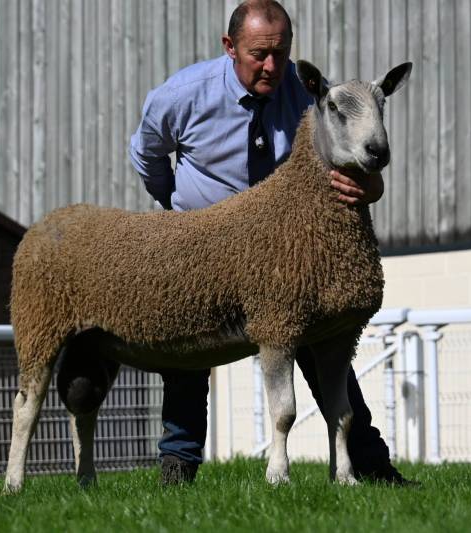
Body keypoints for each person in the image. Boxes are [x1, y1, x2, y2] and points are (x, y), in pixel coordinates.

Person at [130, 0, 409, 486]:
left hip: (285, 250)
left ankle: (370, 465)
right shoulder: (182, 95)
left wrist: (373, 187)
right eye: (259, 54)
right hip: (204, 241)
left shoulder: (307, 96)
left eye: (281, 53)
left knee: (325, 343)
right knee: (187, 353)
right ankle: (177, 469)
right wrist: (175, 212)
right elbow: (147, 154)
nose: (272, 66)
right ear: (229, 47)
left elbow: (347, 152)